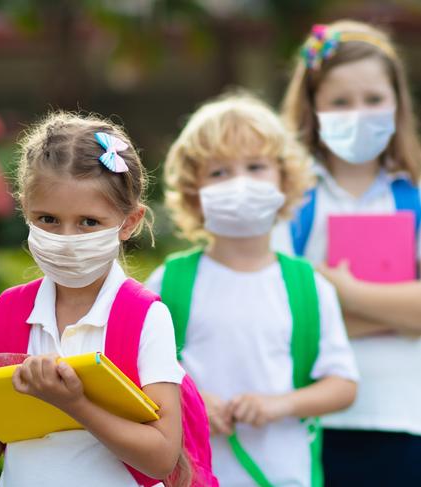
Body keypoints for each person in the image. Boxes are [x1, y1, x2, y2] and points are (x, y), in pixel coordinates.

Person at [0, 112, 190, 487]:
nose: (66, 238)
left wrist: (74, 404)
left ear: (129, 222)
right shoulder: (7, 315)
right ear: (25, 210)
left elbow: (162, 457)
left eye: (88, 222)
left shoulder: (143, 317)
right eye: (48, 219)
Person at [146, 93, 358, 486]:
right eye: (219, 172)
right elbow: (134, 371)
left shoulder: (309, 285)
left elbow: (342, 384)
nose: (239, 182)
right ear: (194, 193)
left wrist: (280, 405)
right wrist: (189, 401)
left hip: (285, 475)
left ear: (286, 179)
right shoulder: (168, 282)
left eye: (256, 166)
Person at [273, 20, 421, 485]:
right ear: (313, 107)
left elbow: (309, 309)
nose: (359, 113)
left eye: (374, 99)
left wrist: (342, 291)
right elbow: (279, 311)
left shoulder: (414, 193)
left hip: (404, 416)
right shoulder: (287, 198)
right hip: (309, 416)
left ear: (397, 103)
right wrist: (400, 313)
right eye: (340, 102)